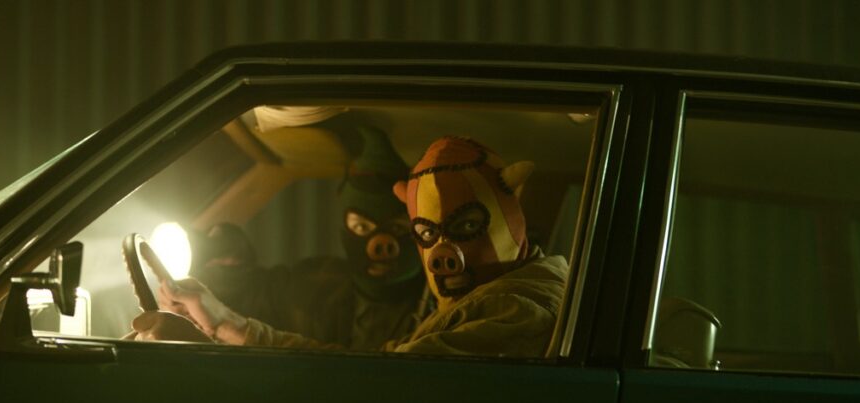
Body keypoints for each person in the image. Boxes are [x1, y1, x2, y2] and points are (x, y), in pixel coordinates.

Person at [132, 136, 569, 358]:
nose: (443, 252)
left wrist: (207, 348)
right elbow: (374, 369)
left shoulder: (516, 310)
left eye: (468, 226)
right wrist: (224, 322)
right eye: (427, 233)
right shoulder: (482, 302)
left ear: (511, 218)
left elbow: (373, 387)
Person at [186, 126, 429, 350]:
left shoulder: (439, 312)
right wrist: (227, 260)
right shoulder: (317, 287)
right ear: (345, 230)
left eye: (398, 228)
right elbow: (252, 292)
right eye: (361, 226)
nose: (380, 244)